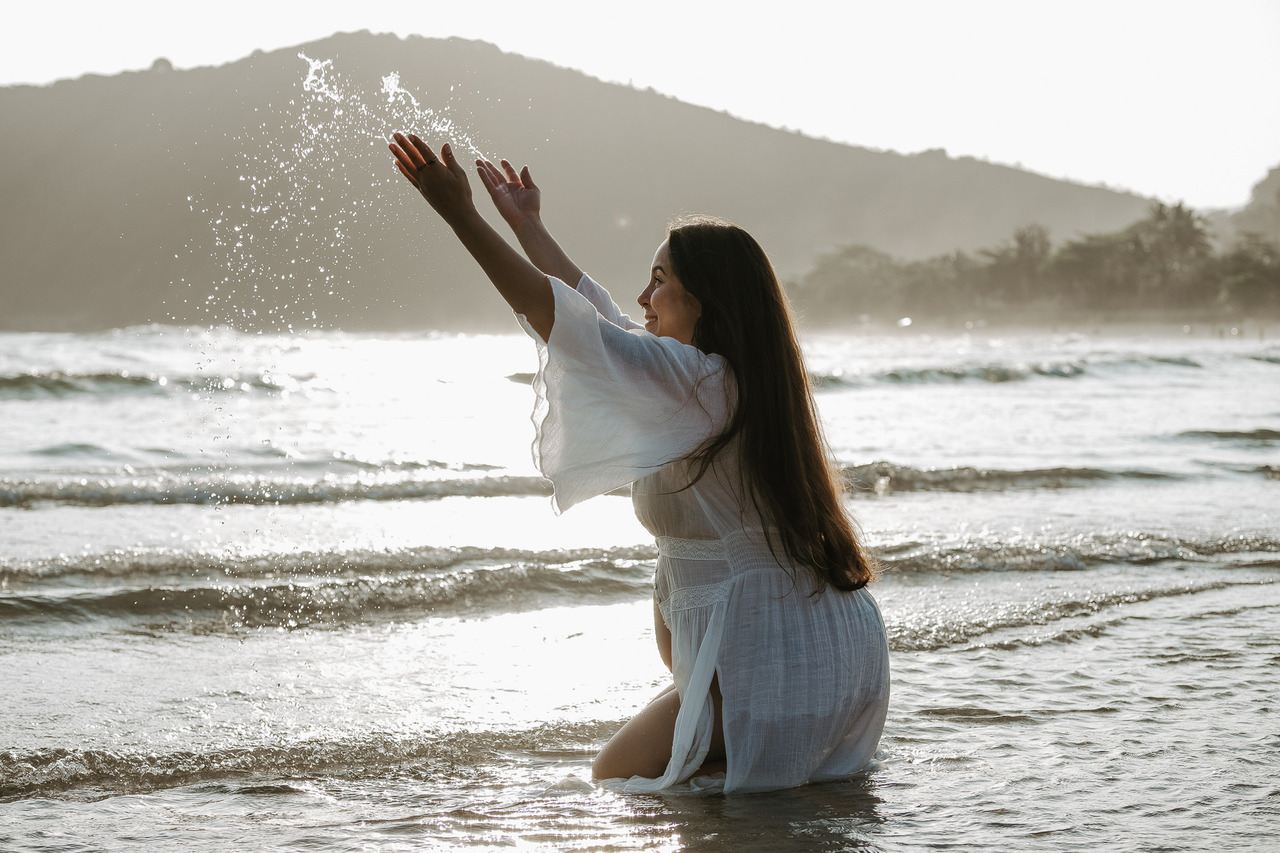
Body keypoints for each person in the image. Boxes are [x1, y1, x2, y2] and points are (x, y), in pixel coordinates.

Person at [388, 133, 890, 794]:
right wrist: (529, 227)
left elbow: (565, 320)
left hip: (778, 653)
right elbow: (604, 319)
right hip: (809, 644)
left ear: (706, 303)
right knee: (682, 788)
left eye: (661, 280)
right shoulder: (720, 379)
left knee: (618, 775)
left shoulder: (698, 381)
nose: (644, 295)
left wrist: (462, 217)